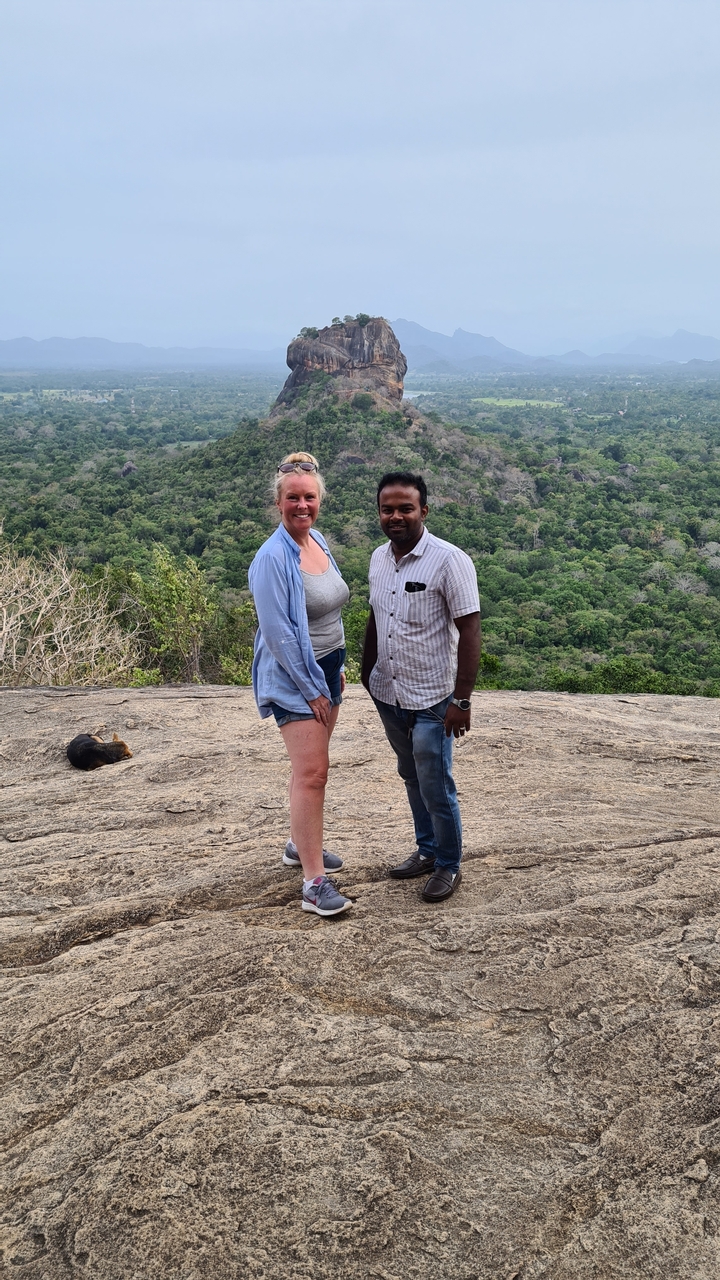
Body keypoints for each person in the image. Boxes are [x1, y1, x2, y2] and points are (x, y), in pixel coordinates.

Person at [361, 471, 481, 902]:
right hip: (388, 692)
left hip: (433, 696)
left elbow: (470, 629)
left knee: (435, 781)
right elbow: (377, 615)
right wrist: (366, 671)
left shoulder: (450, 560)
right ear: (379, 513)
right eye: (387, 509)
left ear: (423, 511)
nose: (396, 516)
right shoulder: (378, 558)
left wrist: (462, 699)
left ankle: (449, 863)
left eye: (405, 508)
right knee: (411, 775)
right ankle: (427, 850)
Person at [248, 452, 353, 917]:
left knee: (308, 769)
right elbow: (280, 635)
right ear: (278, 502)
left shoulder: (318, 542)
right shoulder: (272, 558)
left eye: (309, 498)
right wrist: (314, 688)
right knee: (313, 773)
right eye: (293, 498)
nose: (302, 505)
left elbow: (331, 606)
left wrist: (337, 669)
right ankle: (313, 884)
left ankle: (299, 845)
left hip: (327, 668)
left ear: (318, 502)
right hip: (297, 676)